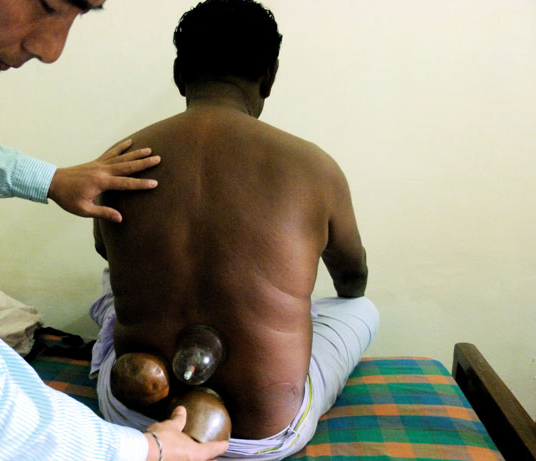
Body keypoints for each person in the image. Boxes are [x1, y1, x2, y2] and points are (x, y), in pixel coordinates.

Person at [0, 0, 228, 459]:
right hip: (225, 426)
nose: (52, 50)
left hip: (131, 402)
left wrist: (48, 180)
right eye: (48, 3)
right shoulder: (315, 167)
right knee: (356, 313)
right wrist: (143, 453)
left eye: (82, 14)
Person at [90, 0, 379, 459]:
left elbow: (108, 253)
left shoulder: (123, 158)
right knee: (361, 310)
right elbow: (352, 278)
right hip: (260, 438)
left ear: (180, 73)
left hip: (138, 422)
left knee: (111, 289)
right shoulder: (312, 166)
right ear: (269, 76)